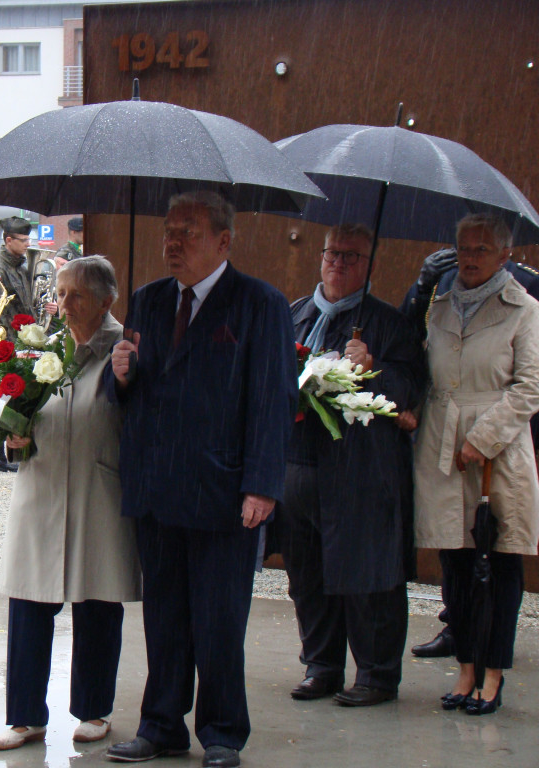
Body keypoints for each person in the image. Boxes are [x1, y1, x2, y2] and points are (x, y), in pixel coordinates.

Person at [105, 191, 296, 768]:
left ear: (223, 241)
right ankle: (160, 724)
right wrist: (122, 377)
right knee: (163, 616)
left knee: (218, 619)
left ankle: (221, 731)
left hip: (223, 490)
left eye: (188, 232)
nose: (173, 242)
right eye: (169, 230)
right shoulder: (148, 300)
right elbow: (136, 396)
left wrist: (262, 484)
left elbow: (272, 398)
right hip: (158, 487)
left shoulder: (259, 304)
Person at [0, 256, 141, 751]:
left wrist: (126, 382)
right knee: (29, 601)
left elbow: (142, 420)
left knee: (97, 600)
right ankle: (24, 717)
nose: (64, 304)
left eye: (76, 295)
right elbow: (24, 409)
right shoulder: (47, 346)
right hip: (43, 489)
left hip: (99, 488)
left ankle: (94, 709)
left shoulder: (127, 349)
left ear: (106, 300)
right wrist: (12, 435)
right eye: (61, 293)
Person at [278, 224, 425, 707]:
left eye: (351, 256)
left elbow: (409, 392)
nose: (338, 263)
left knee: (367, 575)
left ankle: (377, 674)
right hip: (299, 465)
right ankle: (321, 666)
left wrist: (373, 366)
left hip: (361, 471)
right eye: (331, 253)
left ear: (370, 266)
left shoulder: (389, 324)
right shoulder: (294, 314)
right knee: (307, 573)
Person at [412, 213, 539, 716]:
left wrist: (482, 439)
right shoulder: (439, 307)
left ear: (505, 256)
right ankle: (464, 666)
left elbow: (529, 388)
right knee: (457, 564)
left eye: (482, 249)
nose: (469, 256)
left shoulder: (524, 309)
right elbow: (425, 370)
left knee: (499, 563)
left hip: (498, 456)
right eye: (464, 246)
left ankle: (492, 674)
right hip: (441, 448)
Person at [0, 216, 35, 473]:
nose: (28, 244)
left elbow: (26, 305)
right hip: (10, 343)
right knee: (6, 396)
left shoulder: (21, 268)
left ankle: (13, 451)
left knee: (21, 396)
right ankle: (2, 456)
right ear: (8, 240)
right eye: (24, 240)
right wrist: (10, 345)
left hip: (25, 339)